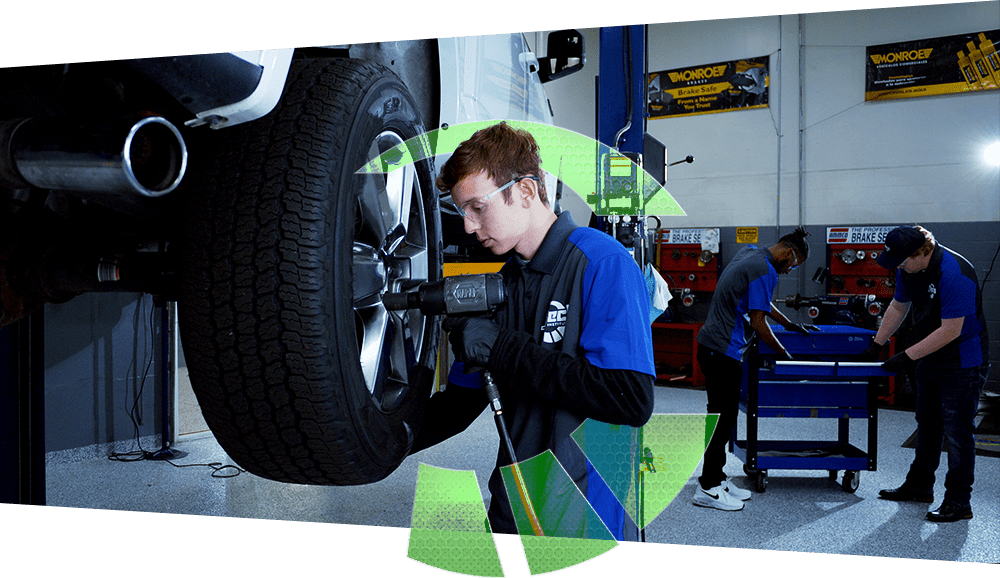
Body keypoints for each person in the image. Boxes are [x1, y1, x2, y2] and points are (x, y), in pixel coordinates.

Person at [408, 122, 655, 541]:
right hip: (514, 509)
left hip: (585, 516)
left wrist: (503, 349)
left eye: (477, 207)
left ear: (525, 191)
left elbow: (629, 398)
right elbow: (459, 405)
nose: (468, 226)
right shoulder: (500, 285)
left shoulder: (601, 263)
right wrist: (380, 442)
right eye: (461, 212)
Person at [693, 227, 818, 511]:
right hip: (723, 352)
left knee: (722, 420)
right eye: (793, 265)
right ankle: (708, 488)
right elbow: (759, 322)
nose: (789, 271)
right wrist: (785, 354)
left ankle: (717, 477)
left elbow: (761, 302)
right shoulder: (766, 271)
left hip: (712, 348)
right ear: (788, 252)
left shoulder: (749, 254)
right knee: (721, 422)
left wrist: (788, 324)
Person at [870, 225, 989, 523]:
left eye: (901, 261)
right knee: (927, 426)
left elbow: (951, 331)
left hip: (962, 360)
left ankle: (959, 501)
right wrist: (877, 344)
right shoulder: (908, 268)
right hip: (929, 356)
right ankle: (920, 486)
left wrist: (905, 357)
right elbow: (898, 307)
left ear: (923, 252)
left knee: (958, 434)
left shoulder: (955, 273)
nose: (898, 267)